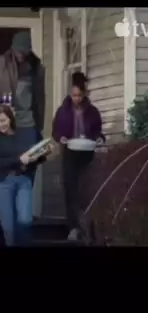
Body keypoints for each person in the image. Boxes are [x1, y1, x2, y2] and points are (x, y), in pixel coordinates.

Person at [0, 30, 46, 186]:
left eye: (24, 51)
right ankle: (4, 196)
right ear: (13, 49)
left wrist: (40, 124)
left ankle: (25, 195)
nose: (21, 54)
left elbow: (40, 98)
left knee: (29, 163)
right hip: (6, 124)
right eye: (18, 51)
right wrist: (0, 109)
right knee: (5, 164)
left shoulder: (37, 67)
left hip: (28, 123)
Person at [0, 104, 50, 246]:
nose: (0, 124)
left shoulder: (22, 135)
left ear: (10, 118)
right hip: (3, 183)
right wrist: (18, 160)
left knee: (25, 220)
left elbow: (33, 158)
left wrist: (42, 154)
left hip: (23, 180)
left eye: (3, 120)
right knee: (8, 227)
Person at [52, 72, 103, 242]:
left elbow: (97, 130)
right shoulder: (63, 111)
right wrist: (61, 138)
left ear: (84, 94)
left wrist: (98, 138)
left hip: (87, 154)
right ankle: (73, 227)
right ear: (70, 94)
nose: (77, 99)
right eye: (74, 95)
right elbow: (56, 131)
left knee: (87, 189)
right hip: (70, 153)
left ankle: (88, 226)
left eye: (79, 95)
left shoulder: (92, 111)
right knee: (70, 189)